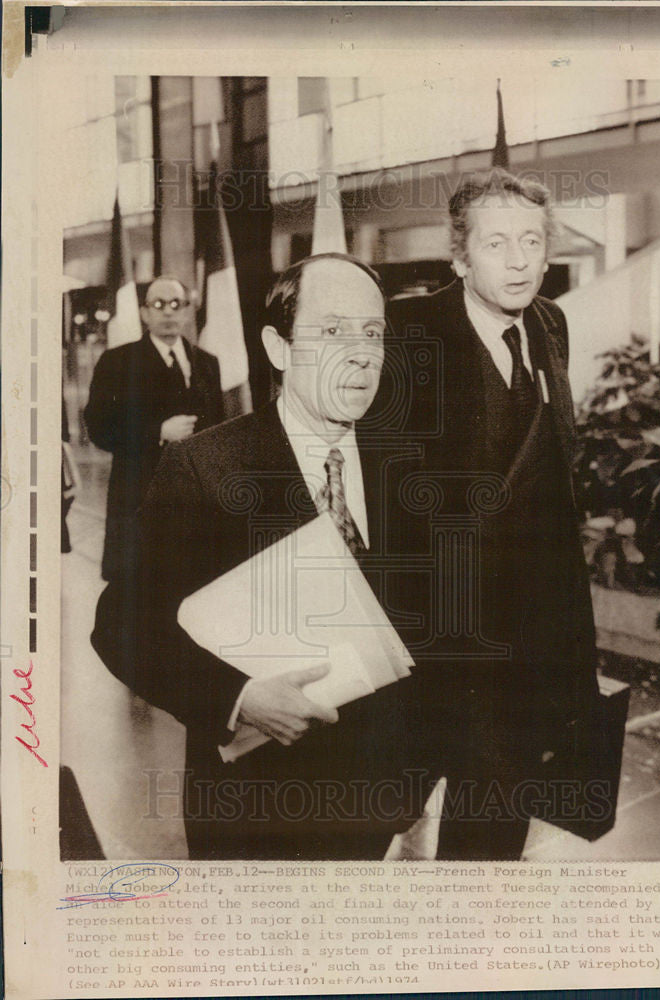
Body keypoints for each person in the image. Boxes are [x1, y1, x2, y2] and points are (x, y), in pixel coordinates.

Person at [91, 253, 426, 860]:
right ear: (277, 347)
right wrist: (238, 697)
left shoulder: (407, 464)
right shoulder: (206, 466)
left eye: (373, 333)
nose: (360, 354)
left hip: (377, 800)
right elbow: (121, 623)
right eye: (331, 331)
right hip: (254, 811)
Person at [388, 168, 613, 860]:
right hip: (442, 623)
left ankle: (472, 947)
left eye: (531, 241)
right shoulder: (408, 333)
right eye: (496, 244)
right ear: (459, 257)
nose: (519, 261)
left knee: (497, 807)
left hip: (535, 624)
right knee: (388, 809)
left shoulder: (551, 321)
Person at [84, 275, 224, 581]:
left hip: (195, 508)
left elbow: (219, 431)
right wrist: (158, 432)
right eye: (158, 304)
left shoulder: (208, 364)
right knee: (140, 603)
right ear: (145, 313)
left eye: (177, 304)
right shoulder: (117, 362)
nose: (168, 312)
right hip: (138, 504)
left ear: (188, 311)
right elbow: (98, 428)